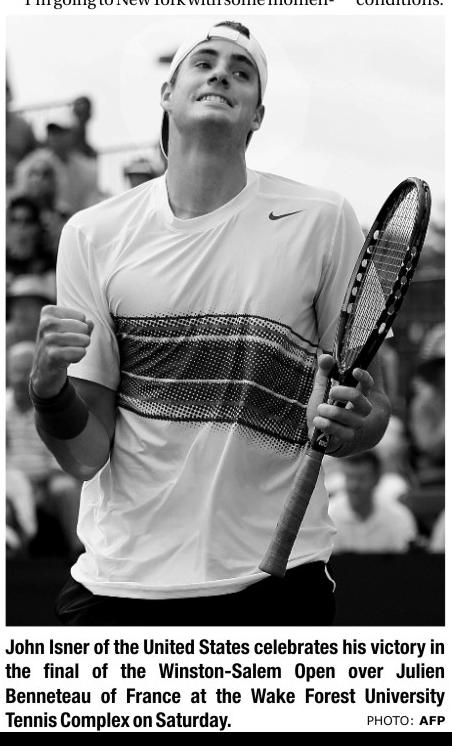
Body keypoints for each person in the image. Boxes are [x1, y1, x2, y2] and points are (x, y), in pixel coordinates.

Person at [29, 21, 390, 626]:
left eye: (242, 71)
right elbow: (85, 456)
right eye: (204, 62)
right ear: (167, 95)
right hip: (119, 586)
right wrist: (47, 391)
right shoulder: (90, 234)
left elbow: (374, 406)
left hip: (278, 583)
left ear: (258, 116)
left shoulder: (326, 219)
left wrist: (353, 425)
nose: (222, 73)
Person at [328, 451, 417, 553]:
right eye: (349, 477)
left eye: (361, 478)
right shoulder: (327, 517)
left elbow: (408, 560)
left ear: (377, 479)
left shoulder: (399, 517)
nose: (354, 485)